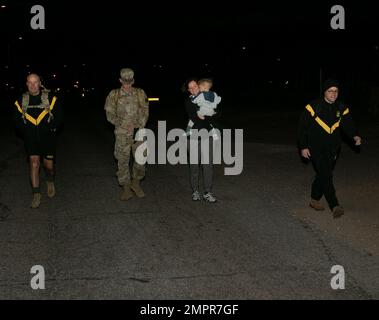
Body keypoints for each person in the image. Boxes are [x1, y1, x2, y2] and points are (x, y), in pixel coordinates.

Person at [298, 79, 362, 218]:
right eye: (330, 91)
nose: (333, 94)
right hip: (316, 147)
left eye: (335, 91)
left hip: (333, 148)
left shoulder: (341, 108)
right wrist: (303, 146)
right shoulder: (313, 107)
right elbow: (302, 128)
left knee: (323, 174)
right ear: (324, 92)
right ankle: (334, 205)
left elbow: (348, 125)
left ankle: (314, 199)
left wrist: (355, 136)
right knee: (326, 174)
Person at [13, 73, 63, 209]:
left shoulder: (51, 99)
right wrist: (26, 131)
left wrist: (51, 129)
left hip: (48, 139)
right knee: (34, 164)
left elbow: (59, 117)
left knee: (49, 166)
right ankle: (36, 194)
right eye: (30, 82)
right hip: (31, 139)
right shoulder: (20, 101)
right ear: (26, 84)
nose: (33, 85)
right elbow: (16, 120)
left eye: (35, 82)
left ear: (40, 83)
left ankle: (50, 180)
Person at [104, 68, 149, 201]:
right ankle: (126, 187)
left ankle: (136, 183)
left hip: (138, 132)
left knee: (141, 159)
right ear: (120, 80)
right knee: (122, 161)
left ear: (133, 81)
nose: (127, 84)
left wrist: (137, 125)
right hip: (122, 134)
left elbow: (145, 111)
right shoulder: (114, 94)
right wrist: (122, 123)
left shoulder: (140, 93)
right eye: (125, 82)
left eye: (129, 82)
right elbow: (109, 113)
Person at [184, 78, 218, 203]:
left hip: (207, 136)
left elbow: (214, 115)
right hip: (193, 137)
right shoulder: (189, 101)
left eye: (195, 86)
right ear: (188, 90)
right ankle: (195, 191)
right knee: (194, 166)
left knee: (208, 166)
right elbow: (197, 117)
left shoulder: (209, 97)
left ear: (199, 86)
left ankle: (208, 192)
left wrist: (209, 113)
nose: (193, 89)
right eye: (190, 88)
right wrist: (207, 113)